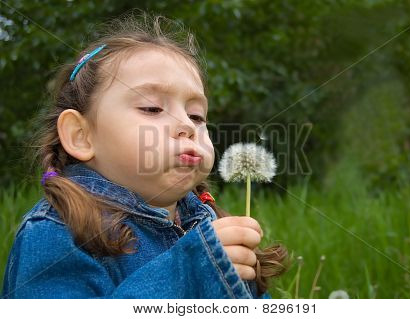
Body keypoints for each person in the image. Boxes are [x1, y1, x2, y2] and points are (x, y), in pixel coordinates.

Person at [1, 12, 289, 299]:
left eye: (196, 115)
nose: (187, 126)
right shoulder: (57, 234)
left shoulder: (208, 222)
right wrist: (188, 272)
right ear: (81, 136)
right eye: (152, 108)